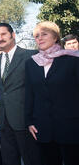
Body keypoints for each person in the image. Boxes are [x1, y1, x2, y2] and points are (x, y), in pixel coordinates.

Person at [25, 21, 79, 165]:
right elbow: (30, 93)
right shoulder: (31, 63)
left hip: (70, 127)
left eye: (44, 34)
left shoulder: (72, 60)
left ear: (55, 37)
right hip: (42, 127)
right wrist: (29, 121)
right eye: (36, 36)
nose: (39, 38)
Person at [0, 23, 41, 165]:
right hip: (3, 122)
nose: (0, 38)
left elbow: (38, 89)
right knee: (9, 161)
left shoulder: (31, 55)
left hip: (25, 121)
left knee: (32, 160)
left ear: (13, 35)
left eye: (4, 34)